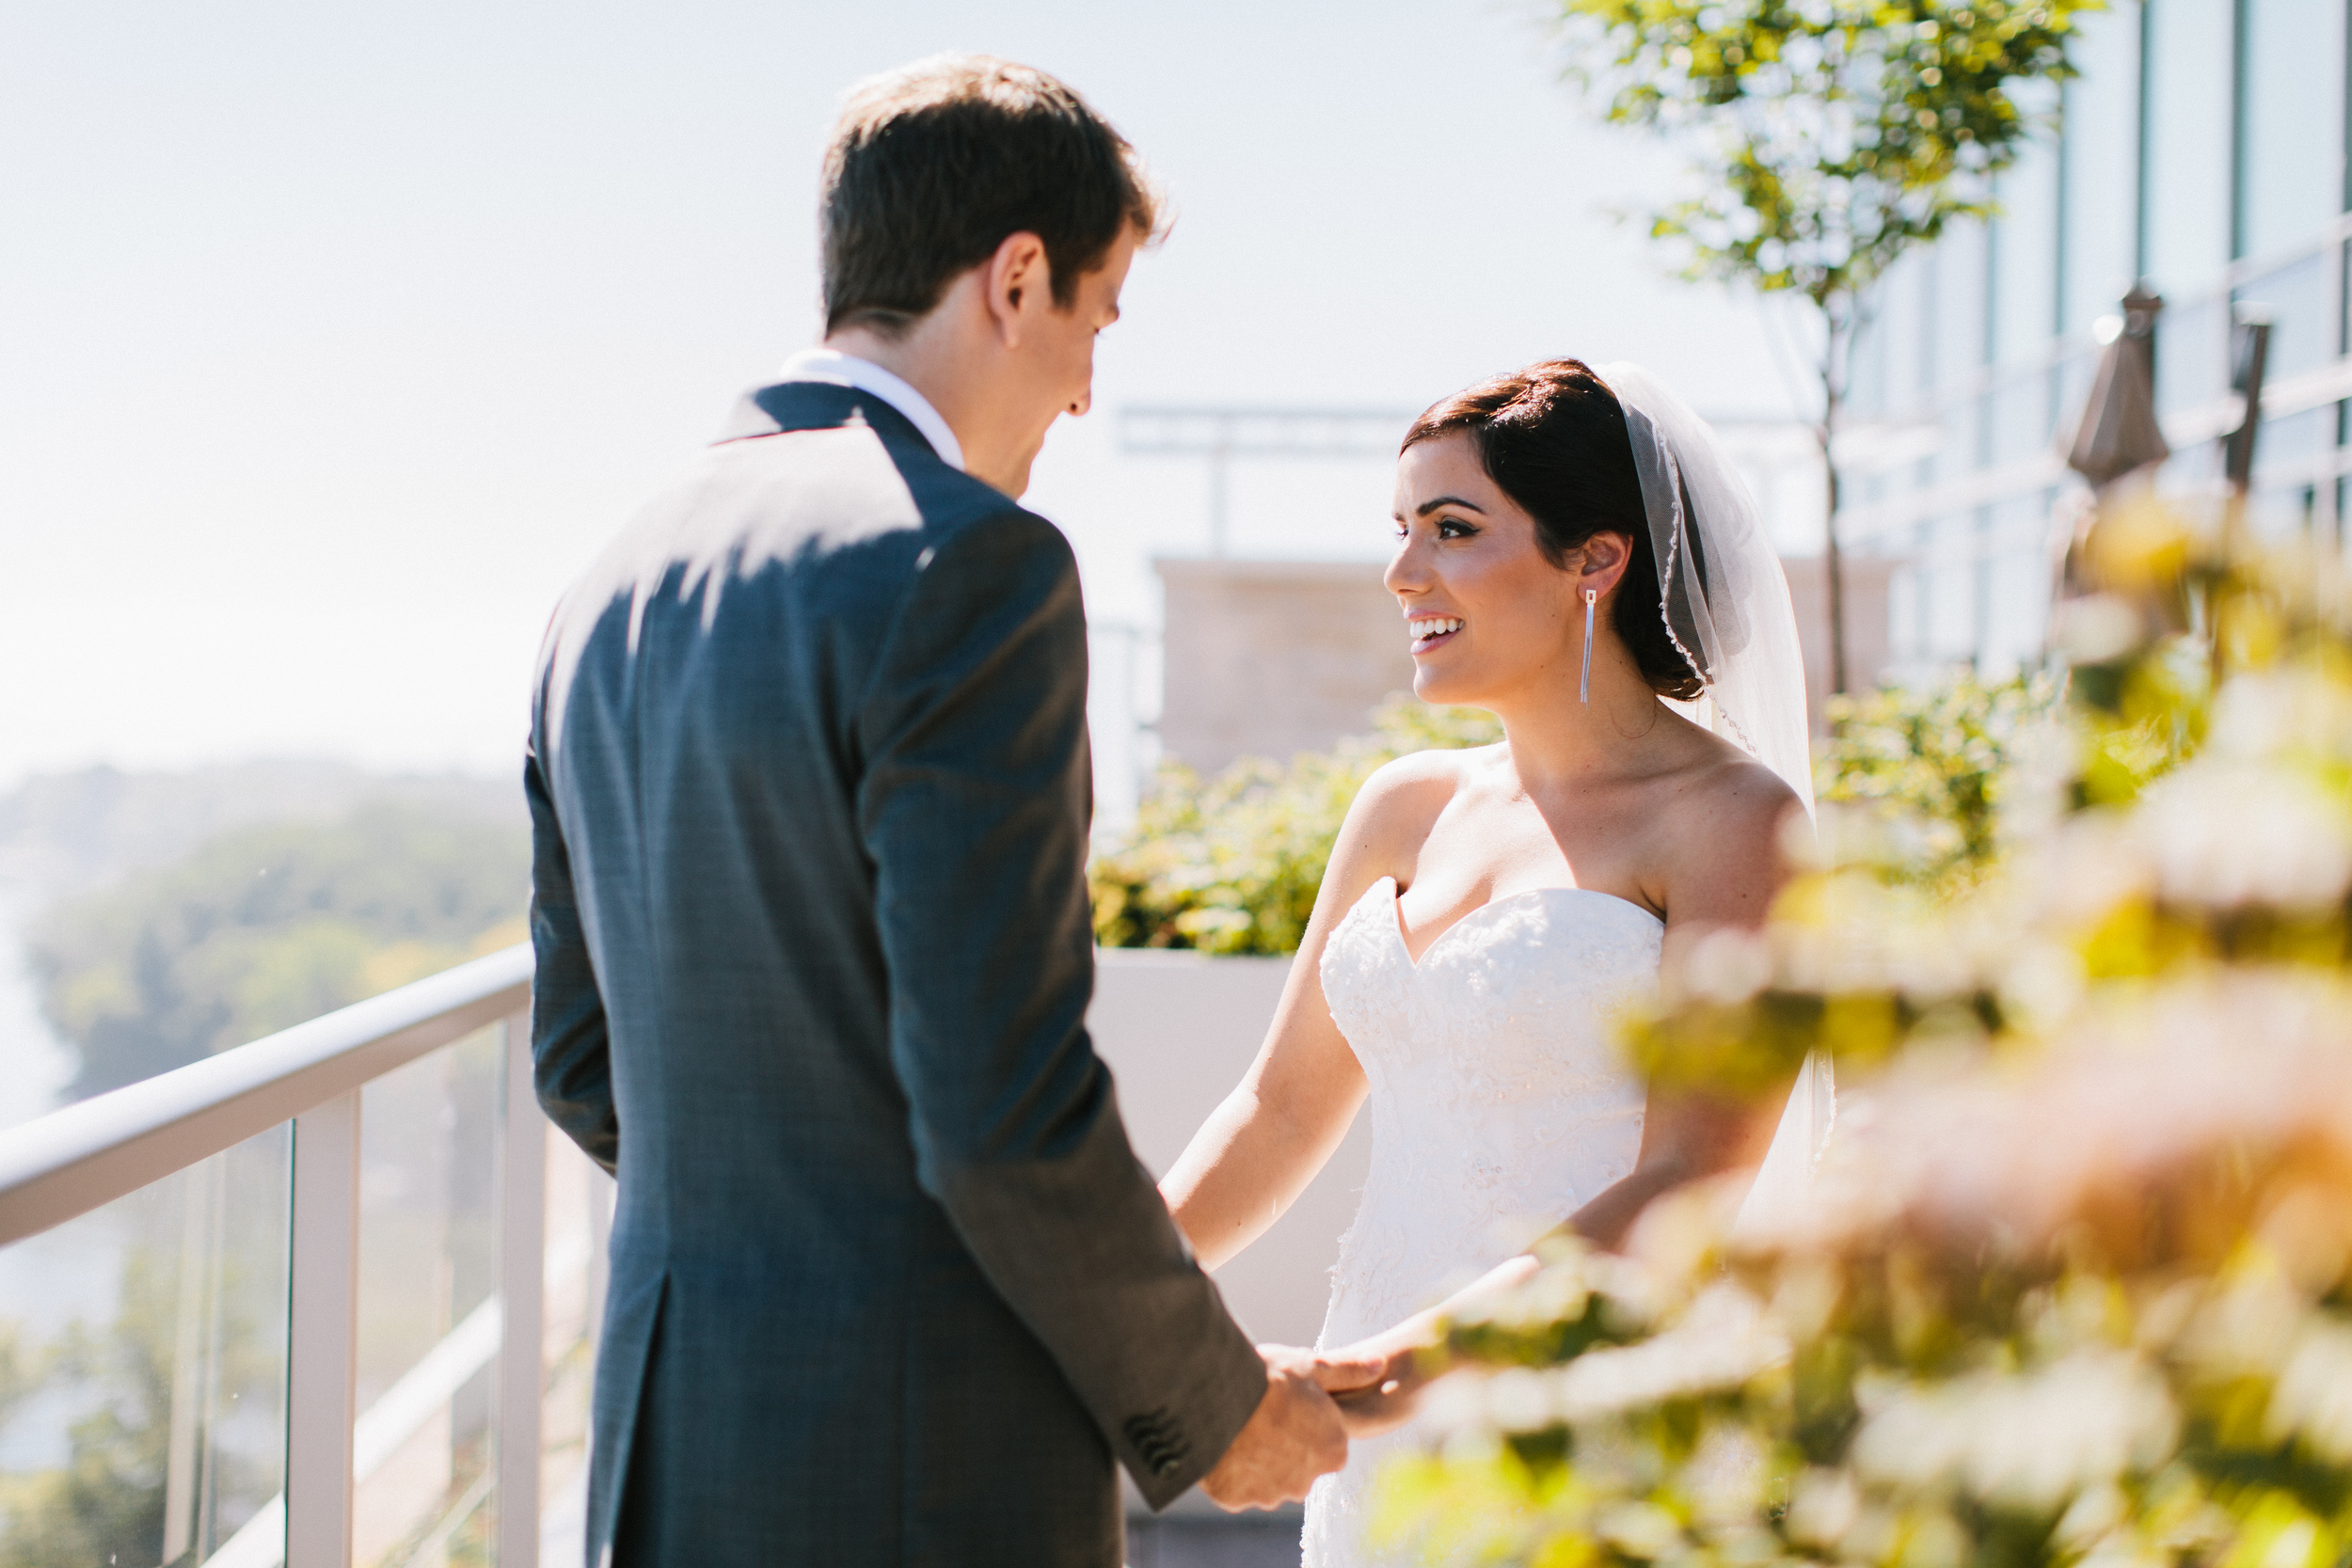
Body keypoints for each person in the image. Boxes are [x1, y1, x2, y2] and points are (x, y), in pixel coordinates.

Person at [524, 55, 1363, 1568]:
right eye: (1097, 322)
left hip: (669, 1445)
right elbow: (1002, 1105)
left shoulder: (607, 582)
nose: (1089, 387)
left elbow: (584, 1060)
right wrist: (1217, 1403)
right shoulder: (971, 564)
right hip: (921, 1469)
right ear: (1018, 277)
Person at [1159, 359, 1833, 1567]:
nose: (1402, 572)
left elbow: (1689, 1178)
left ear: (1596, 559)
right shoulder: (1401, 806)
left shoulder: (1733, 823)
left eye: (1453, 529)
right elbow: (1277, 1108)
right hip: (1368, 1437)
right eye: (1402, 530)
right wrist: (1102, 1298)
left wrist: (1394, 1370)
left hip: (1580, 1424)